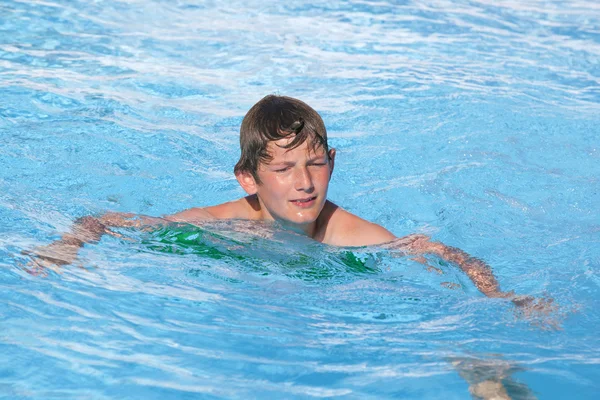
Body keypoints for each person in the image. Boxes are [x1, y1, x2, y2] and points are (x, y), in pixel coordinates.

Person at [30, 95, 551, 310]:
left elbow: (445, 254)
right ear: (247, 179)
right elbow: (104, 221)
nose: (304, 183)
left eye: (316, 164)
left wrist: (502, 297)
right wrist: (67, 245)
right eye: (281, 169)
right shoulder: (219, 224)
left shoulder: (347, 234)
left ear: (332, 164)